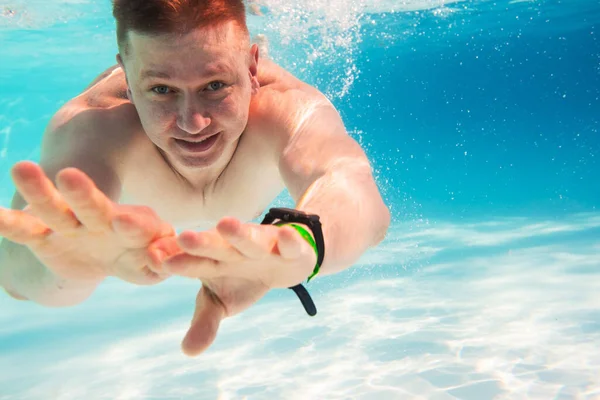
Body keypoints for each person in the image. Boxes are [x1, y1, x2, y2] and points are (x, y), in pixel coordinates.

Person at [0, 0, 390, 356]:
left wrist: (306, 242)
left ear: (253, 70)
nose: (193, 123)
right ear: (129, 78)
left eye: (215, 86)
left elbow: (355, 191)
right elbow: (16, 276)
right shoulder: (97, 127)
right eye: (161, 89)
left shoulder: (283, 109)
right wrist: (64, 269)